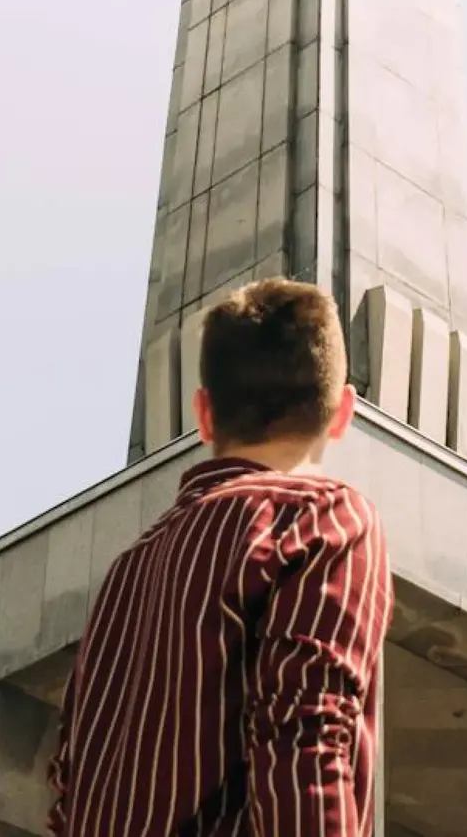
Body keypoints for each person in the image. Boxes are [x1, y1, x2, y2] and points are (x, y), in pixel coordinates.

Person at [47, 278, 394, 837]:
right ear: (342, 412)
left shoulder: (128, 570)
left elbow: (71, 784)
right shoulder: (325, 520)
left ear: (203, 414)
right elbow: (307, 732)